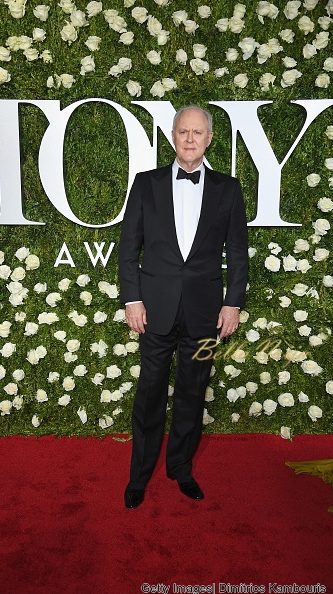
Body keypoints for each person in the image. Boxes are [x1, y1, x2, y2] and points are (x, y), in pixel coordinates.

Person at [118, 105, 248, 509]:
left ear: (209, 139)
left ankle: (181, 468)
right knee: (150, 393)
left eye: (197, 132)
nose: (190, 139)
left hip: (206, 313)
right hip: (154, 309)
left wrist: (232, 304)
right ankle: (139, 476)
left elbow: (239, 255)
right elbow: (128, 248)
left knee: (193, 392)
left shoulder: (229, 189)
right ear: (172, 137)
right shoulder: (145, 184)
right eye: (182, 132)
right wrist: (132, 299)